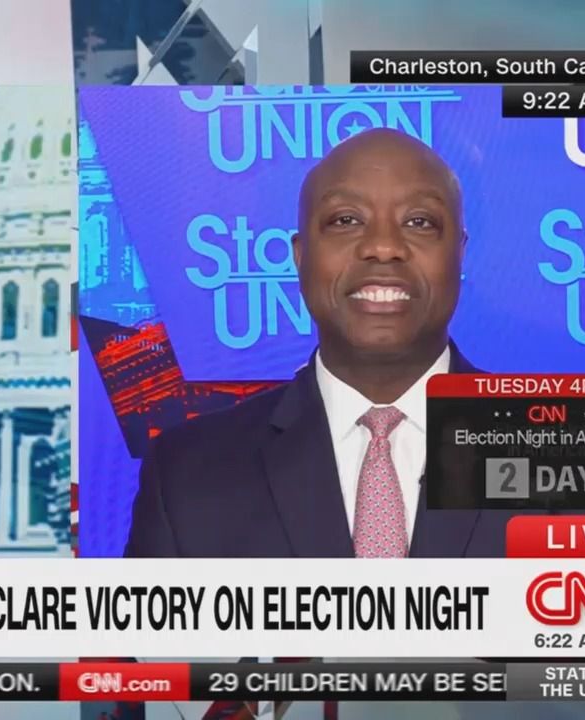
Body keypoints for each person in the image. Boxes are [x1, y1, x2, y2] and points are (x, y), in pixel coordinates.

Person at [126, 128, 508, 558]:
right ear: (300, 254)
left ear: (459, 252)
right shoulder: (186, 476)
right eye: (346, 220)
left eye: (419, 222)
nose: (383, 247)